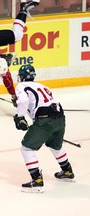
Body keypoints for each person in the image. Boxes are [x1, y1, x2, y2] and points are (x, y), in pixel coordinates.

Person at [13, 64, 75, 193]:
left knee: (26, 147)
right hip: (59, 118)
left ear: (22, 77)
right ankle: (67, 170)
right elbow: (37, 102)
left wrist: (20, 117)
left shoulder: (21, 86)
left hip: (45, 120)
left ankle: (37, 181)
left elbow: (24, 100)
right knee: (54, 145)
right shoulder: (44, 86)